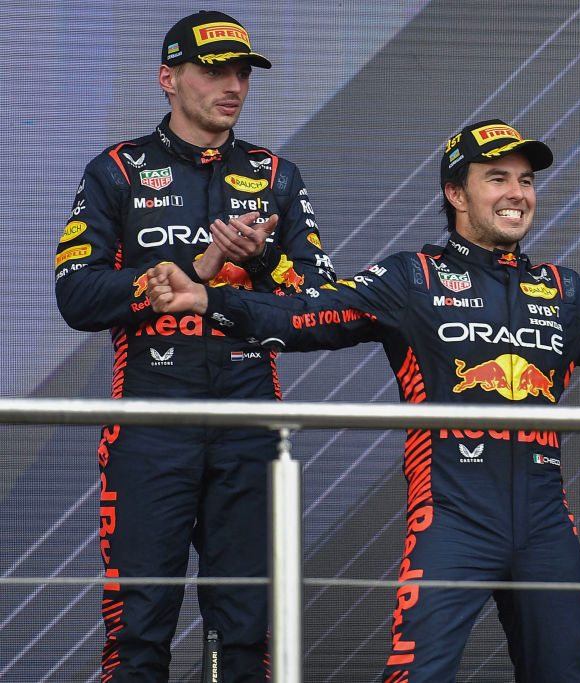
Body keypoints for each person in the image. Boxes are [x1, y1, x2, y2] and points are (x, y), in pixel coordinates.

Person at [145, 118, 580, 682]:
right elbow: (304, 317)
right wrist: (206, 297)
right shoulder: (411, 278)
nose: (518, 193)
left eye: (526, 180)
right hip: (452, 520)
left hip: (546, 527)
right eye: (498, 177)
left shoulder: (565, 291)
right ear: (455, 193)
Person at [54, 10, 335, 681]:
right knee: (138, 628)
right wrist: (193, 268)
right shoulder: (117, 171)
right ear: (168, 79)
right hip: (151, 423)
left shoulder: (277, 176)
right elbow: (77, 294)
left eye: (241, 71)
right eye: (213, 70)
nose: (232, 84)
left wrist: (262, 262)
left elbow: (323, 306)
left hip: (248, 423)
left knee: (245, 631)